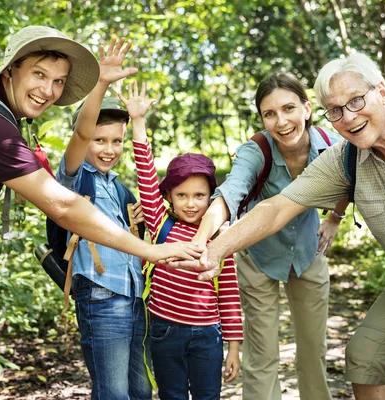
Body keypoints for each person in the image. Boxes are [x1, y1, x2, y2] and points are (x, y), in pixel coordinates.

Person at [0, 26, 201, 400]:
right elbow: (63, 205)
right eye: (39, 74)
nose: (48, 91)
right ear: (10, 70)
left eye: (59, 81)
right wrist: (153, 251)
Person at [181, 52, 385, 400]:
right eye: (337, 110)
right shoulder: (345, 157)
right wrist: (215, 248)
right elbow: (277, 207)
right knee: (363, 361)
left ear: (382, 91)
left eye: (356, 100)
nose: (349, 116)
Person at [192, 71, 346, 400]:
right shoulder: (256, 150)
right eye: (270, 114)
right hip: (258, 257)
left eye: (289, 108)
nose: (282, 121)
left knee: (313, 351)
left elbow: (348, 178)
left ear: (307, 108)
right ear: (262, 119)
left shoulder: (332, 146)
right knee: (262, 355)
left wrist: (335, 216)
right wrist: (202, 240)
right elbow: (230, 193)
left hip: (308, 252)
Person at [120, 81, 243, 399]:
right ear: (169, 197)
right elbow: (145, 173)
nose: (191, 203)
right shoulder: (161, 224)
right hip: (164, 330)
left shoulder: (218, 237)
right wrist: (137, 120)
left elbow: (229, 294)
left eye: (200, 195)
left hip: (207, 335)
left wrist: (233, 347)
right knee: (171, 395)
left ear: (211, 197)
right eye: (182, 195)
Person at [57, 37, 154, 400]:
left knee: (140, 389)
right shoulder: (73, 176)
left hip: (131, 297)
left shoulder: (119, 189)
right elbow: (81, 133)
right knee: (113, 392)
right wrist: (101, 83)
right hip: (101, 296)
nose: (109, 149)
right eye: (100, 141)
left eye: (116, 141)